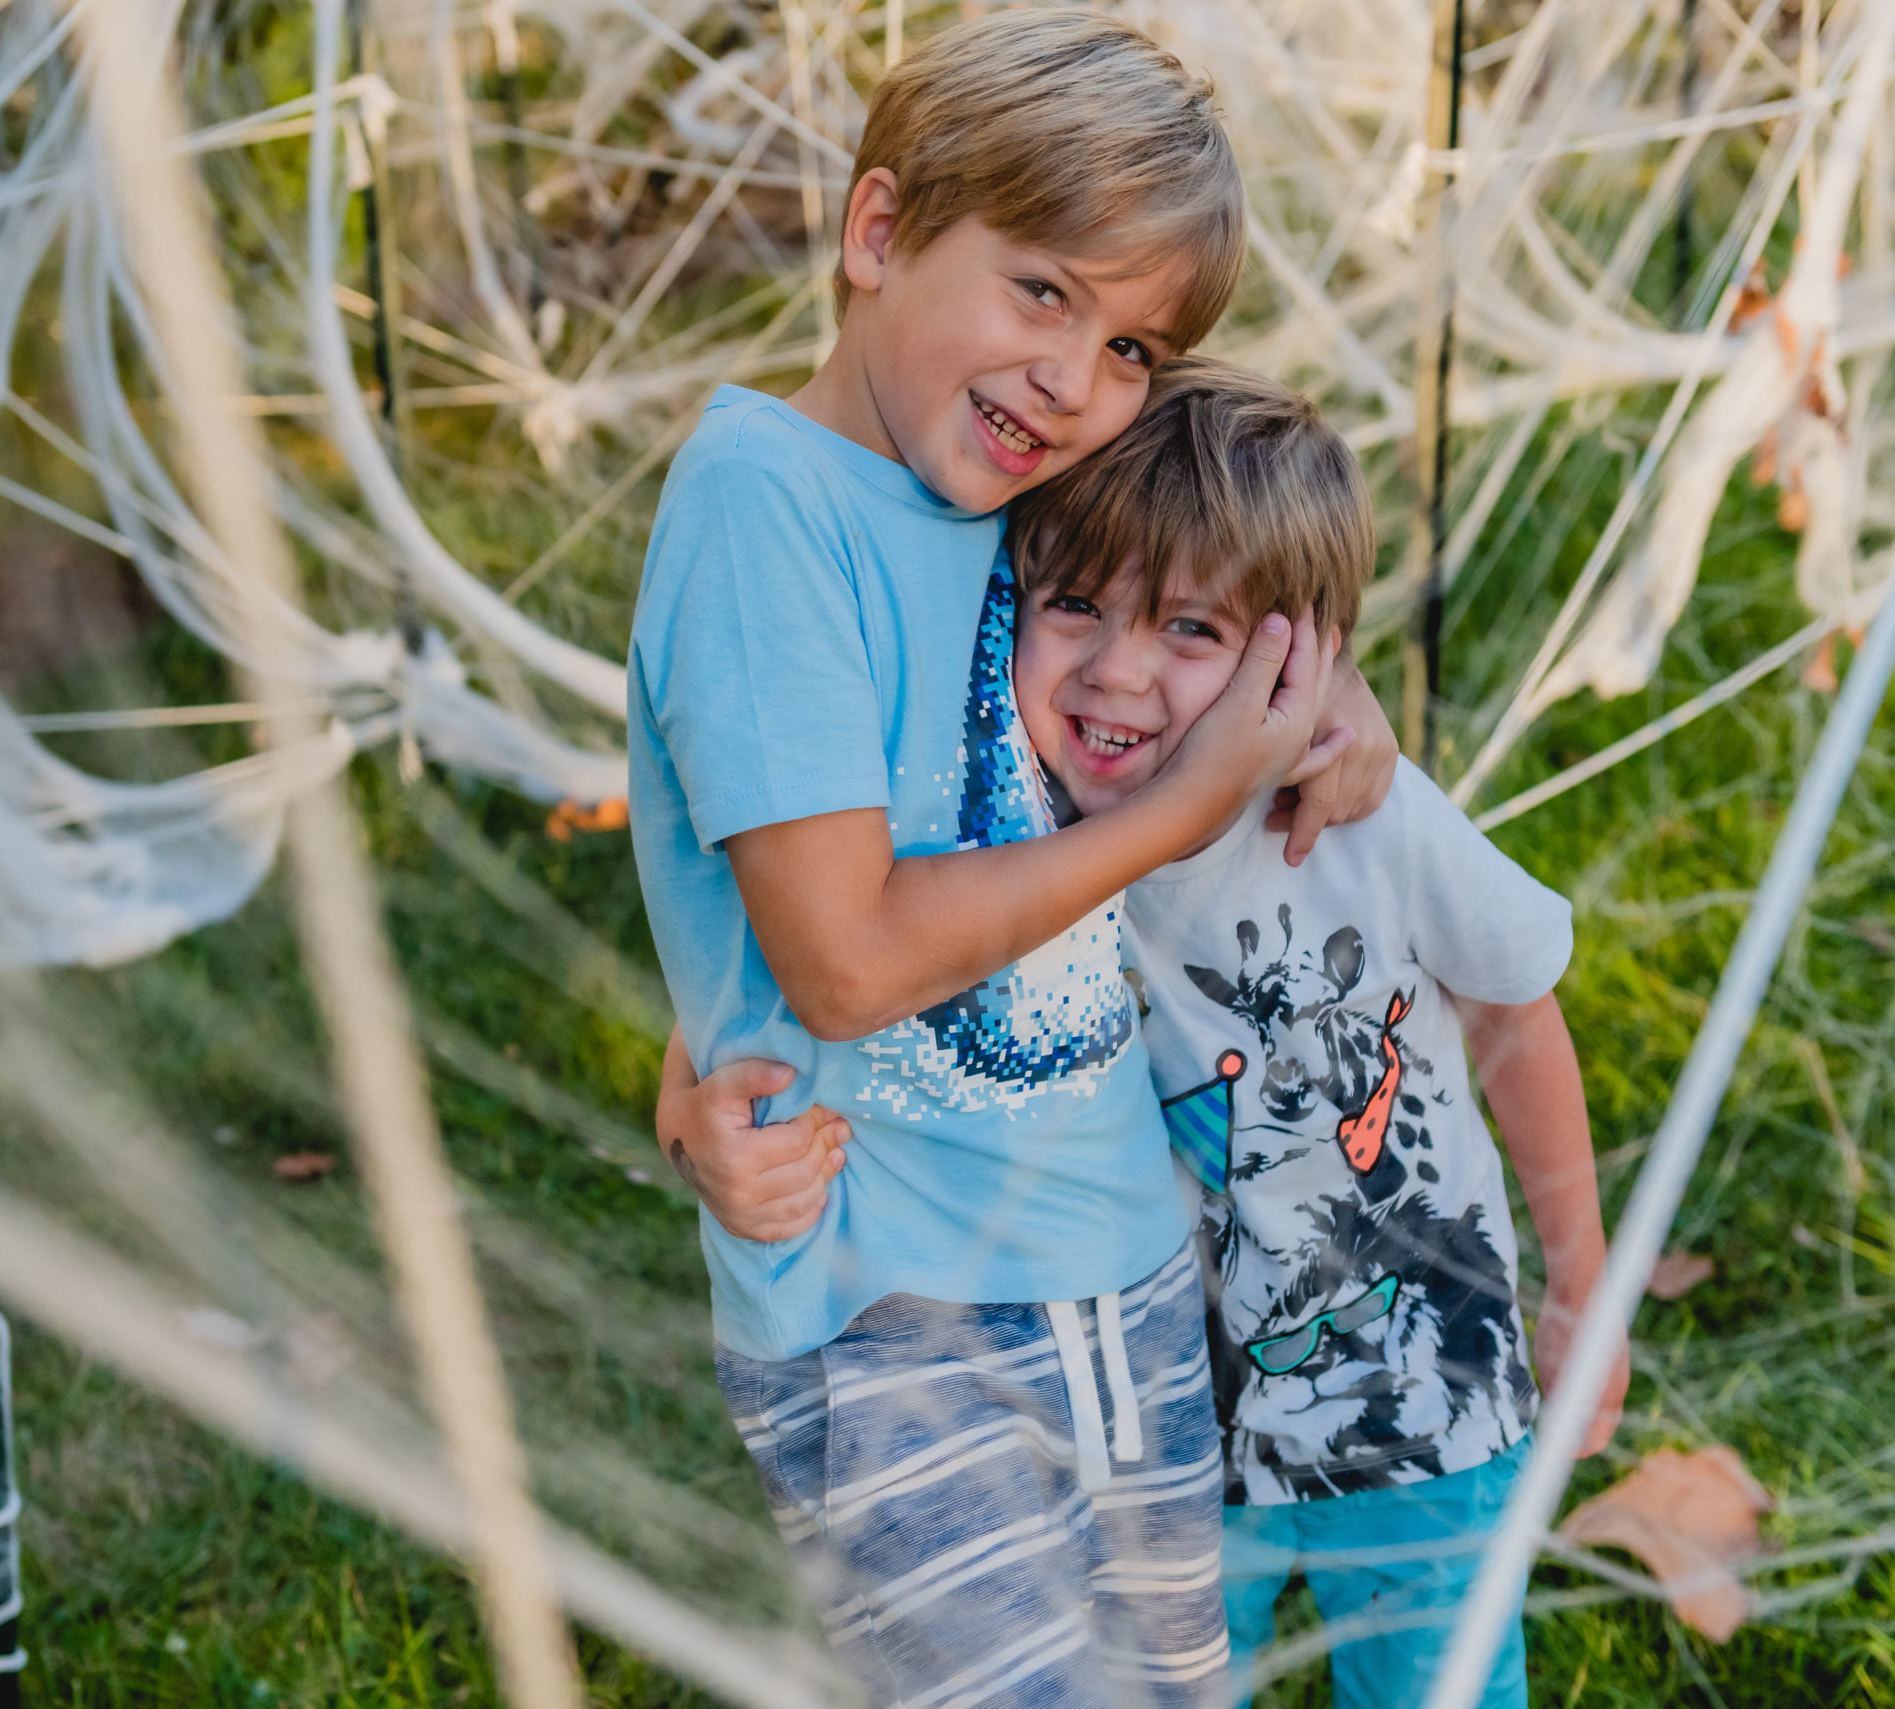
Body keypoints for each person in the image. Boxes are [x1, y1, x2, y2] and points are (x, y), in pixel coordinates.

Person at [626, 15, 1396, 1706]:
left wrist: (1337, 701)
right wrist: (1167, 821)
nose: (1076, 379)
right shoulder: (768, 503)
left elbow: (1201, 591)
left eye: (1134, 346)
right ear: (878, 230)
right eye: (1043, 290)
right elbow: (838, 956)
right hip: (894, 1315)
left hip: (1121, 1260)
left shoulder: (1005, 491)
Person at [668, 359, 1629, 1709]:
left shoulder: (1369, 819)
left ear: (1302, 655)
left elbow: (1516, 1009)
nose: (1119, 670)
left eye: (1191, 629)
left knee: (1440, 1686)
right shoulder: (1017, 830)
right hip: (1170, 1409)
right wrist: (687, 1092)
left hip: (1426, 1385)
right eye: (1074, 604)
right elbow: (817, 937)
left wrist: (1581, 1270)